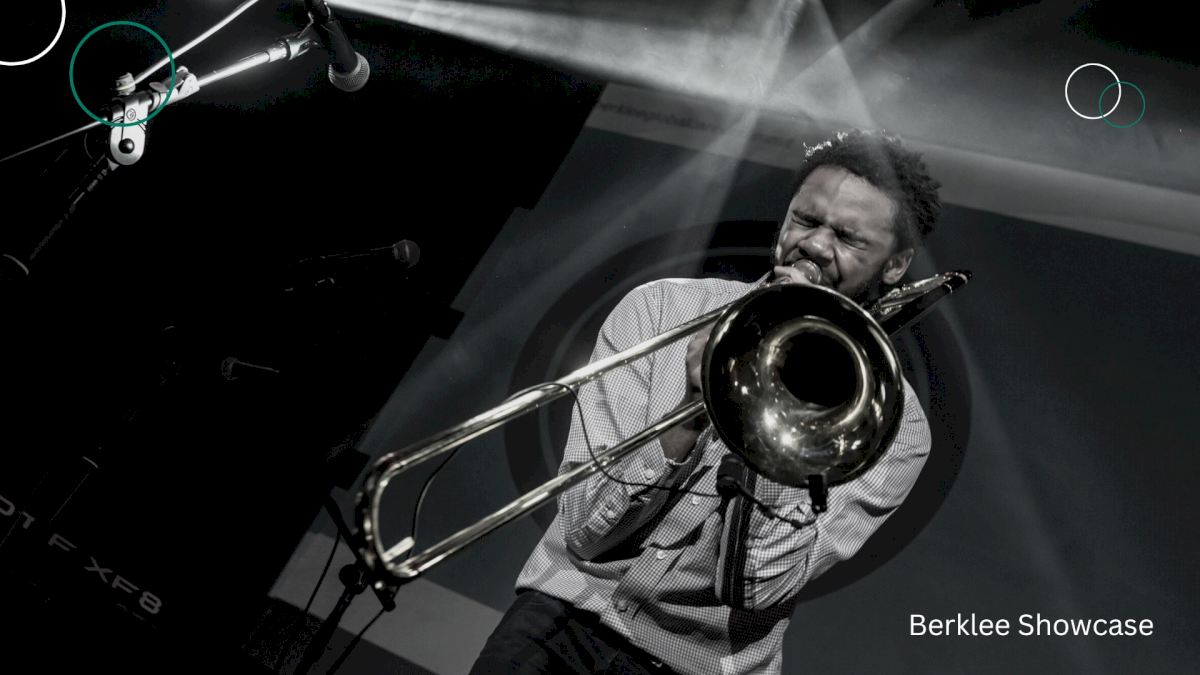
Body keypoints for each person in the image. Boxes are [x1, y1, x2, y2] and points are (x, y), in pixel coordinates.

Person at [470, 129, 942, 675]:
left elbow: (756, 587)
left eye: (847, 237)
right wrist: (692, 410)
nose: (814, 246)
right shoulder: (661, 310)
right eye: (805, 219)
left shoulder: (894, 425)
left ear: (895, 265)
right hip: (556, 623)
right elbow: (583, 529)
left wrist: (776, 421)